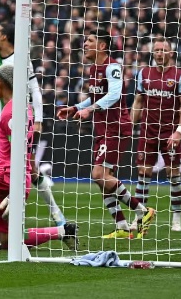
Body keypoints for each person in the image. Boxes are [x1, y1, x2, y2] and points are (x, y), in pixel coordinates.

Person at [0, 64, 79, 252]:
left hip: (4, 177)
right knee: (5, 240)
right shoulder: (23, 109)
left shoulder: (9, 113)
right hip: (13, 178)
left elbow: (19, 153)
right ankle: (63, 231)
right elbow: (13, 146)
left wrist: (15, 190)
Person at [0, 2, 66, 227]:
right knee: (5, 167)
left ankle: (56, 214)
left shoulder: (20, 59)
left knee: (28, 166)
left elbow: (35, 91)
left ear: (5, 38)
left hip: (21, 120)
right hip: (5, 120)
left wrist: (38, 121)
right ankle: (1, 215)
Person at [57, 28, 155, 239]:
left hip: (116, 128)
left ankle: (143, 211)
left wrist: (89, 110)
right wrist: (75, 108)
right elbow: (94, 98)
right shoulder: (93, 69)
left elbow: (113, 95)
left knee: (99, 175)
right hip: (103, 129)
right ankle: (121, 226)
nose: (85, 44)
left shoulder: (112, 67)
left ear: (102, 45)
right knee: (103, 178)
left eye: (89, 41)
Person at [130, 37, 181, 232]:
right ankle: (140, 216)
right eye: (156, 50)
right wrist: (130, 125)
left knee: (173, 175)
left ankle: (176, 218)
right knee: (143, 174)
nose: (159, 53)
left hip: (169, 133)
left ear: (171, 53)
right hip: (148, 132)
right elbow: (138, 101)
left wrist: (179, 131)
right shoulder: (144, 74)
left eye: (163, 50)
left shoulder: (180, 75)